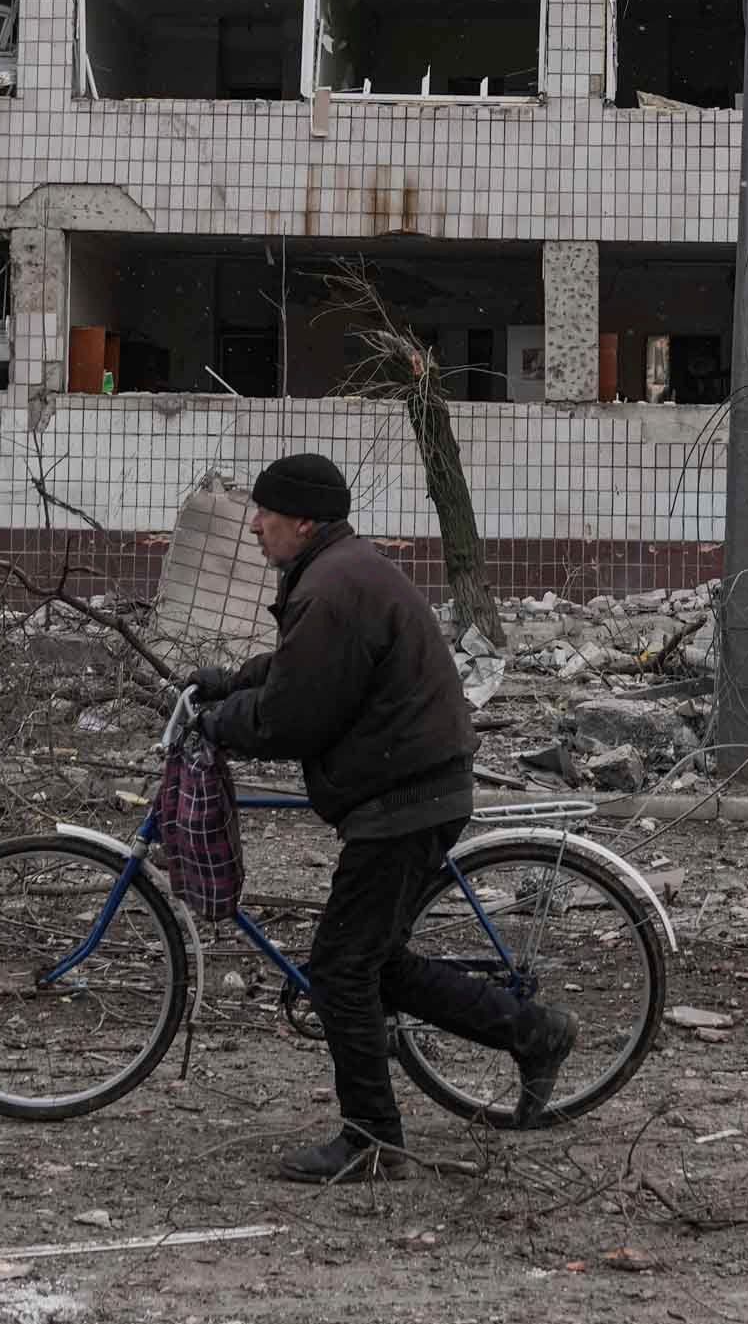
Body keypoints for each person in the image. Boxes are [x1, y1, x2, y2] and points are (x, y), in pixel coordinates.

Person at [191, 452, 574, 1182]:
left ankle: (371, 1137)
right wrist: (228, 683)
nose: (254, 526)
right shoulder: (340, 572)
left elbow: (292, 716)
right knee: (374, 960)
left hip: (403, 794)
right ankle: (533, 1033)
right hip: (410, 782)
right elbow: (305, 669)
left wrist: (221, 723)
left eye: (265, 513)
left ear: (301, 519)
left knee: (340, 967)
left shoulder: (331, 586)